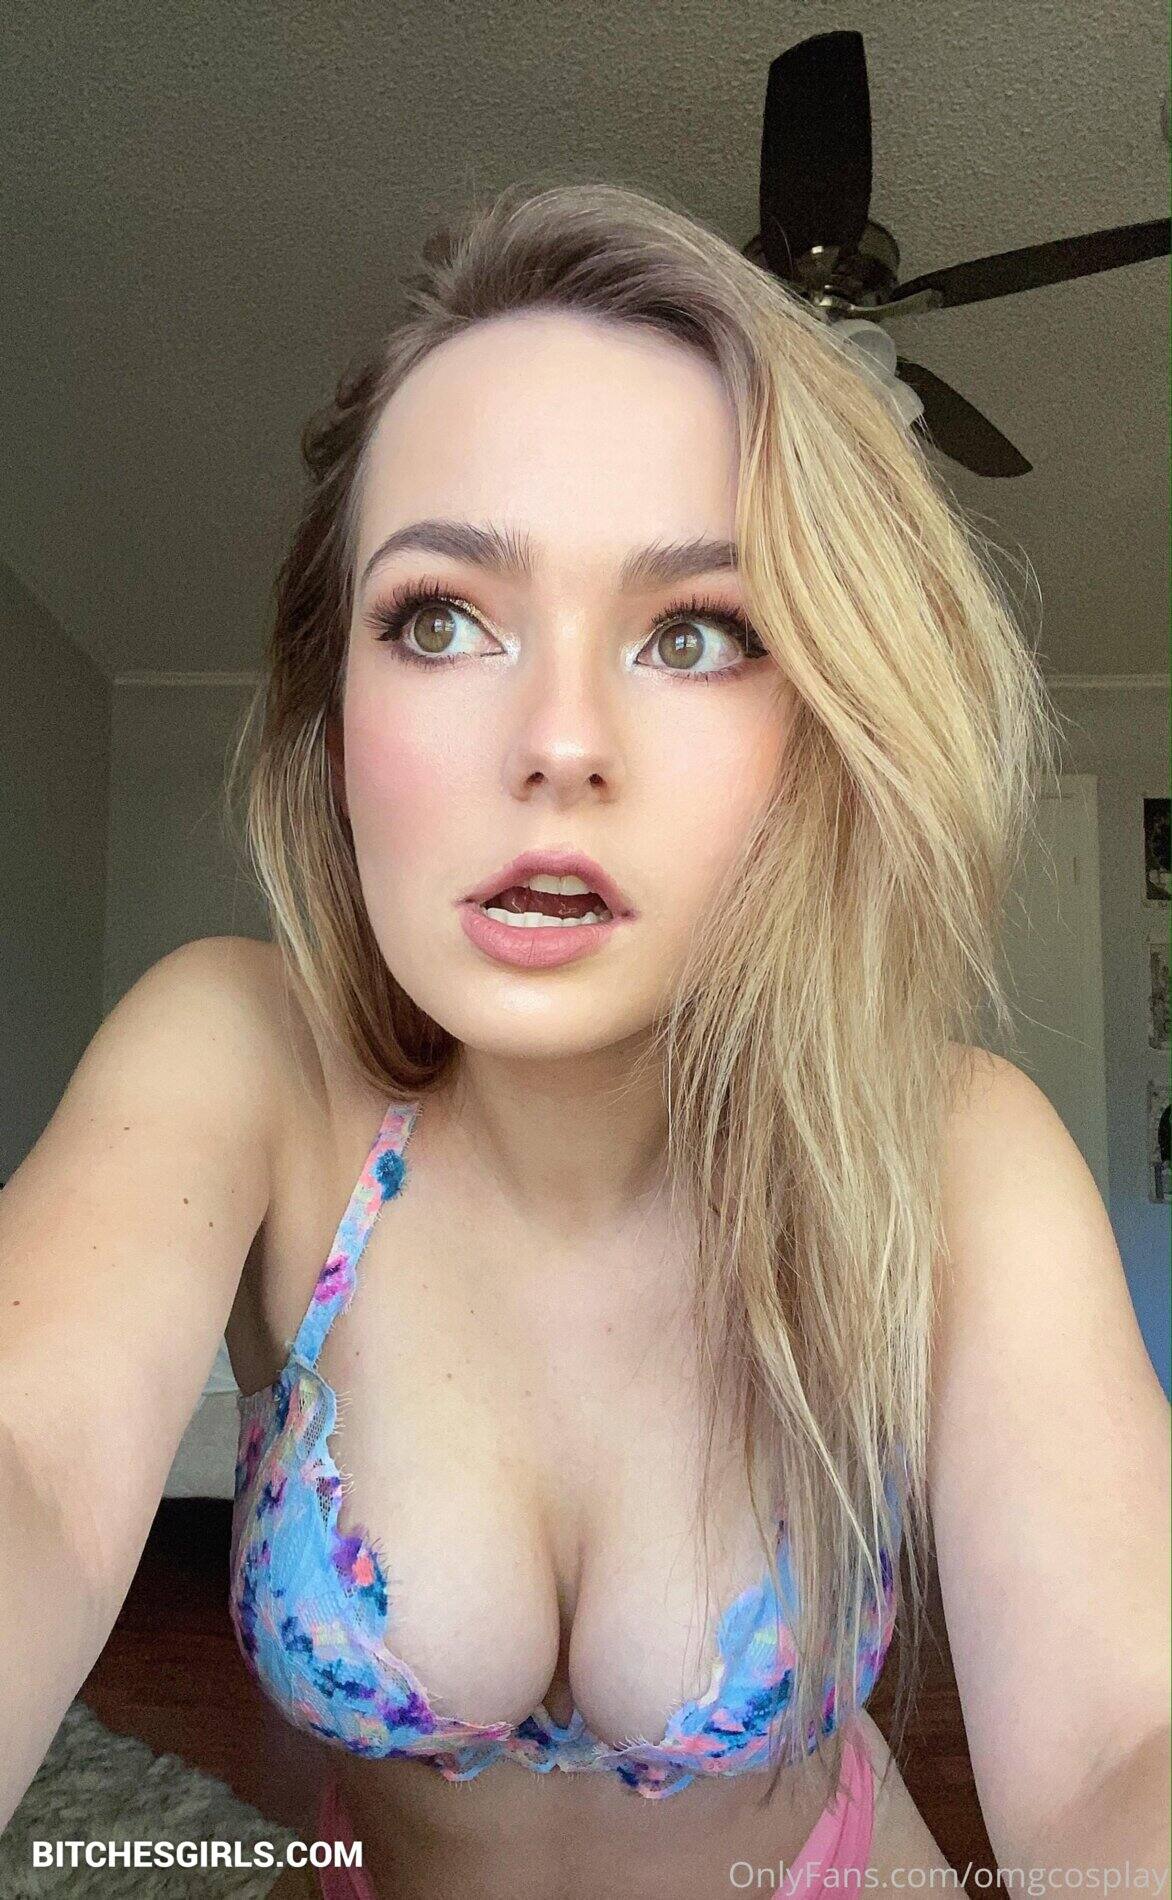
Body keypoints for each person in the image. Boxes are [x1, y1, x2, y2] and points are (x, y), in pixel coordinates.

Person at [2, 181, 1167, 1900]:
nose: (559, 741)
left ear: (822, 728)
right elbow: (26, 1465)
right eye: (441, 619)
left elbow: (1128, 1741)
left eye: (695, 634)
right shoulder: (240, 1060)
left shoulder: (950, 1153)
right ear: (334, 709)